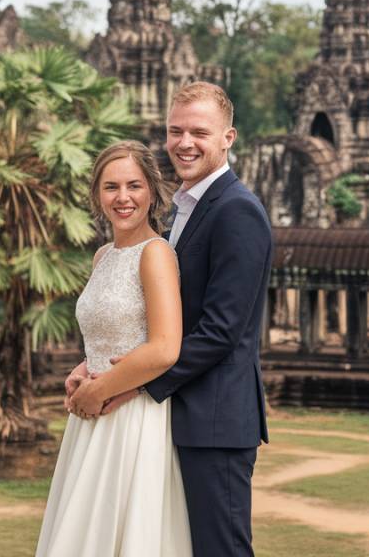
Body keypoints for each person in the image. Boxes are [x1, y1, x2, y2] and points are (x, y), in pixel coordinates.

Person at [68, 82, 273, 557]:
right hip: (170, 419)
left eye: (199, 131)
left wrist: (127, 383)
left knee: (219, 550)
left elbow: (222, 332)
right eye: (175, 130)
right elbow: (152, 316)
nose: (185, 142)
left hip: (215, 420)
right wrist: (92, 366)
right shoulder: (182, 210)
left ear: (228, 137)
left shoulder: (237, 211)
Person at [35, 141, 192, 557]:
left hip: (132, 415)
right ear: (97, 195)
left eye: (134, 186)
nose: (123, 198)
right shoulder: (103, 255)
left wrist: (101, 388)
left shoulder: (156, 254)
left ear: (153, 193)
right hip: (90, 414)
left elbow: (163, 348)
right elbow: (116, 329)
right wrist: (85, 366)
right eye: (111, 187)